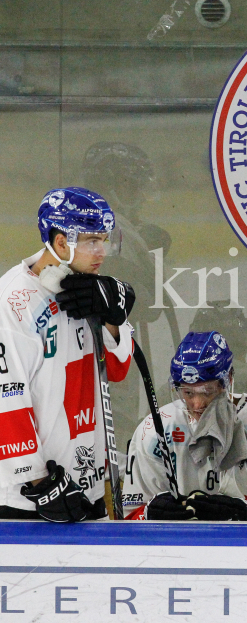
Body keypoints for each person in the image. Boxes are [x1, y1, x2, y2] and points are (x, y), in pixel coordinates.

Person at [0, 187, 135, 522]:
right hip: (27, 501)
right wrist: (41, 483)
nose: (101, 251)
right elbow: (6, 400)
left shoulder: (85, 290)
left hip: (85, 487)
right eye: (91, 240)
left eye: (104, 239)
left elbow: (117, 370)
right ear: (60, 242)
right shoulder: (13, 302)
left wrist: (114, 319)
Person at [123, 331, 247, 522]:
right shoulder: (154, 430)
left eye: (208, 391)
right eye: (188, 392)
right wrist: (151, 513)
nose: (198, 404)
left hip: (246, 548)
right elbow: (131, 516)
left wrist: (242, 509)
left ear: (228, 379)